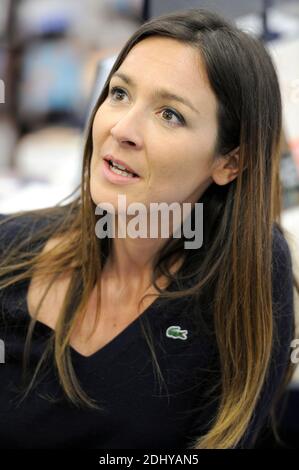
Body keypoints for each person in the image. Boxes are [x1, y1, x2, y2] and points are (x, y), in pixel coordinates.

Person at [0, 8, 298, 449]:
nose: (122, 129)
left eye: (170, 115)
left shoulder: (247, 278)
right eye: (119, 93)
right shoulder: (9, 252)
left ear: (230, 161)